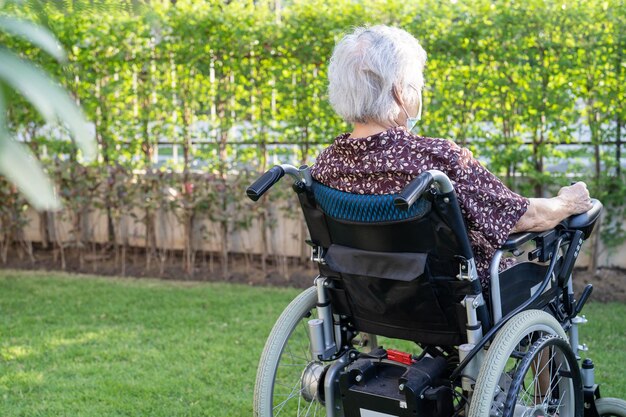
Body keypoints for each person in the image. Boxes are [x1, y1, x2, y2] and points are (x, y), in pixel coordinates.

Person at [310, 25, 592, 292]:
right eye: (416, 86)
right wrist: (568, 201)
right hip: (455, 300)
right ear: (399, 92)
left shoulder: (326, 165)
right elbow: (522, 216)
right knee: (543, 288)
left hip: (371, 297)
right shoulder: (436, 160)